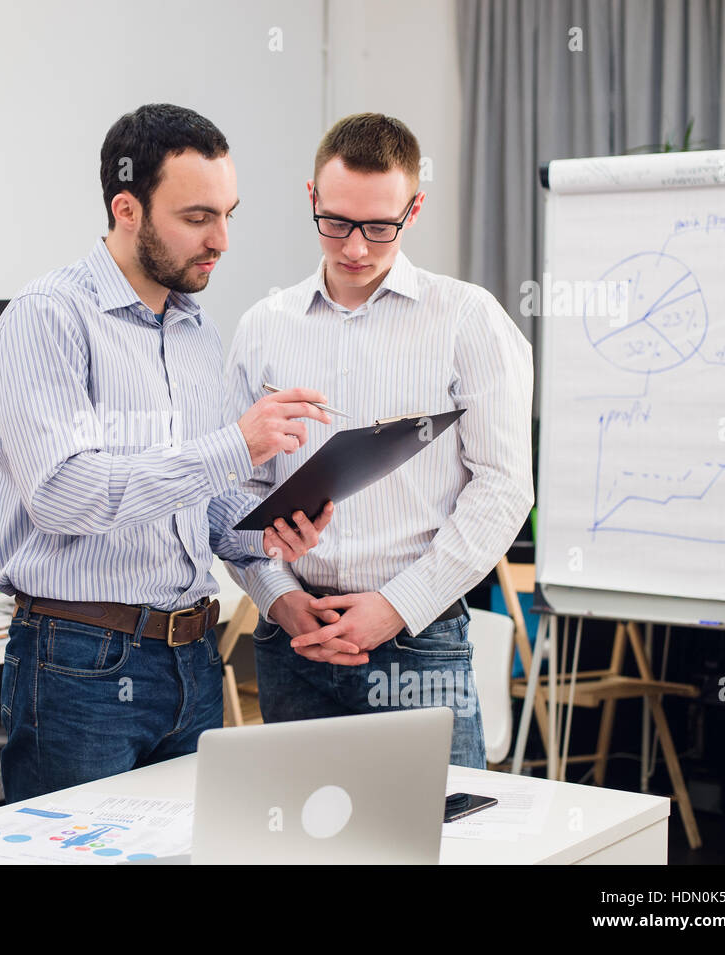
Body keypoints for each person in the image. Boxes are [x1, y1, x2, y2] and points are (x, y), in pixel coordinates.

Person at [0, 103, 338, 801]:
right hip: (79, 662)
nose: (222, 240)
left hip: (194, 657)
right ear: (127, 207)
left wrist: (264, 528)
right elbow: (62, 494)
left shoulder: (195, 334)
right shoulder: (47, 318)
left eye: (229, 214)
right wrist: (235, 445)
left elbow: (195, 504)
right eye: (198, 217)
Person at [225, 112, 534, 768]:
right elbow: (237, 488)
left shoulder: (467, 319)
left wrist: (397, 606)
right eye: (336, 222)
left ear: (414, 209)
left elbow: (504, 488)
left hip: (417, 643)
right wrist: (277, 595)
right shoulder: (262, 326)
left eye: (379, 228)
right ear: (311, 198)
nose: (355, 248)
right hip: (293, 642)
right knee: (299, 844)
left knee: (445, 843)